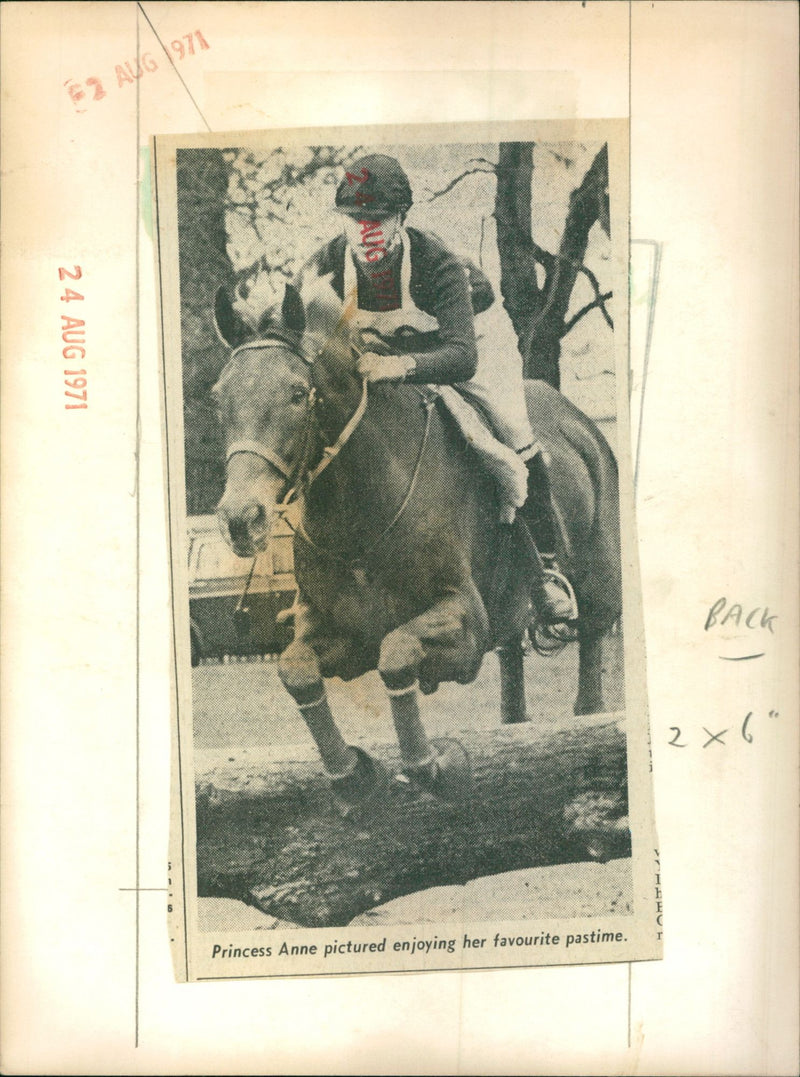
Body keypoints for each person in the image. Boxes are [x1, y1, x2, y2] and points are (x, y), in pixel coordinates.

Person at [297, 153, 576, 623]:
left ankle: (545, 570)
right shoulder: (323, 267)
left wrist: (400, 366)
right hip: (390, 350)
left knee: (512, 430)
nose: (365, 232)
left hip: (471, 343)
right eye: (354, 219)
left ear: (401, 218)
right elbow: (301, 336)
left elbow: (462, 357)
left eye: (378, 220)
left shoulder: (437, 263)